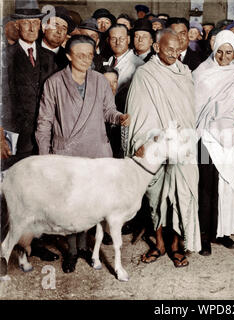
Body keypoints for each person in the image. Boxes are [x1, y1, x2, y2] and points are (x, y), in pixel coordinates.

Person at [35, 34, 130, 273]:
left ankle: (88, 247)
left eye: (90, 54)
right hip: (67, 155)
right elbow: (44, 123)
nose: (86, 59)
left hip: (96, 153)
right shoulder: (54, 83)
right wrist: (45, 158)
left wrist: (119, 118)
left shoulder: (99, 81)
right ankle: (73, 251)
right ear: (68, 56)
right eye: (80, 55)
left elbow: (108, 111)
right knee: (70, 204)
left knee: (92, 203)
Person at [125, 29, 200, 267]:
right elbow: (138, 111)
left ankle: (176, 245)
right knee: (155, 196)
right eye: (169, 49)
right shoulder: (145, 74)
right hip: (154, 143)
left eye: (178, 50)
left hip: (182, 143)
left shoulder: (185, 73)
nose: (175, 54)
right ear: (157, 48)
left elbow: (190, 111)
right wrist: (146, 141)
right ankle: (158, 244)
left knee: (182, 193)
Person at [1, 0, 59, 263]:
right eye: (27, 23)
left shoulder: (49, 58)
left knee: (41, 193)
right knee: (12, 193)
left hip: (42, 139)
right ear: (16, 24)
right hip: (14, 139)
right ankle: (7, 246)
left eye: (37, 23)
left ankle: (34, 244)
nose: (32, 28)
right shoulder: (7, 58)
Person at [193, 30, 234, 256]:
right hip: (206, 136)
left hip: (230, 136)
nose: (224, 57)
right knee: (207, 186)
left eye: (229, 52)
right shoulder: (201, 72)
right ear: (214, 51)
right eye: (220, 52)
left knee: (228, 184)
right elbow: (194, 103)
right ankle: (204, 235)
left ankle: (223, 232)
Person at [104, 24, 144, 157]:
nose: (117, 42)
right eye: (113, 38)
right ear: (108, 40)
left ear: (128, 39)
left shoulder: (139, 65)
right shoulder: (108, 60)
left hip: (125, 121)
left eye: (121, 38)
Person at [40, 6, 75, 70]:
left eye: (64, 28)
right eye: (55, 25)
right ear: (44, 28)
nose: (59, 31)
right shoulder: (30, 51)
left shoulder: (68, 59)